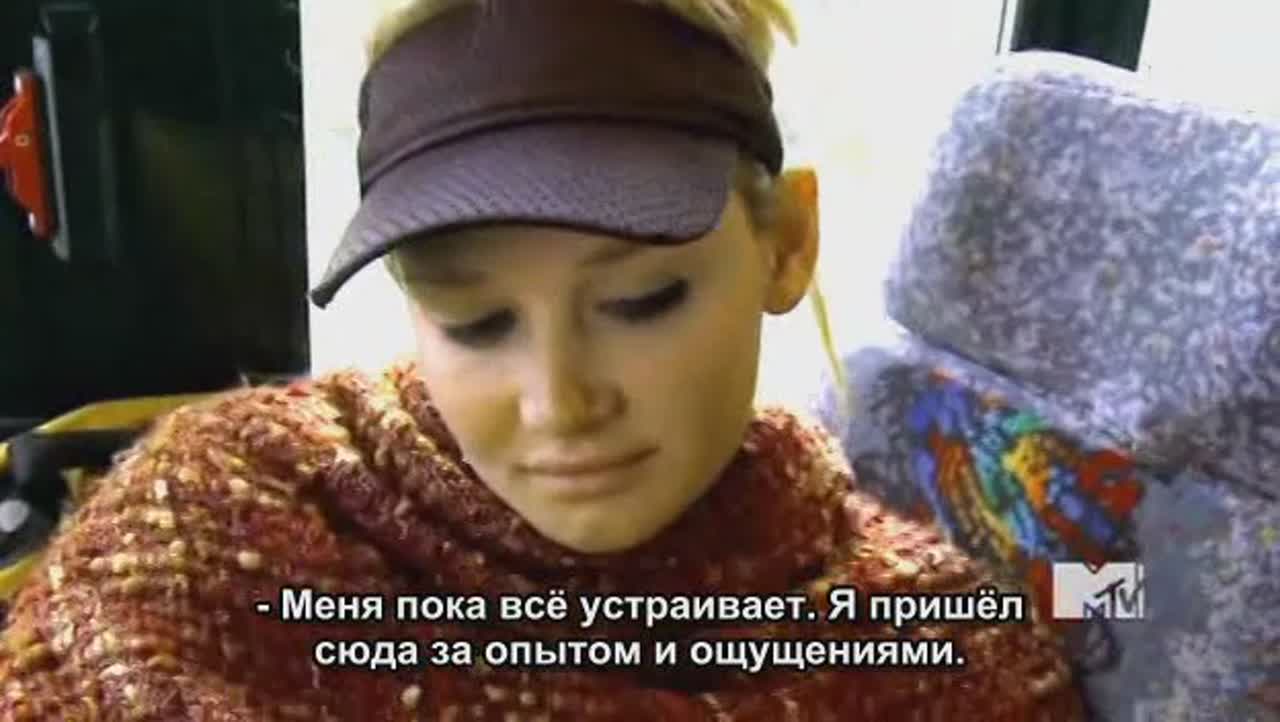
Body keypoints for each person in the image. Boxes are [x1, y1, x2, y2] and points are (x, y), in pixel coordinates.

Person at [0, 0, 1085, 719]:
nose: (557, 402)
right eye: (476, 322)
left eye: (640, 300)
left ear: (787, 243)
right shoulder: (217, 519)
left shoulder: (940, 654)